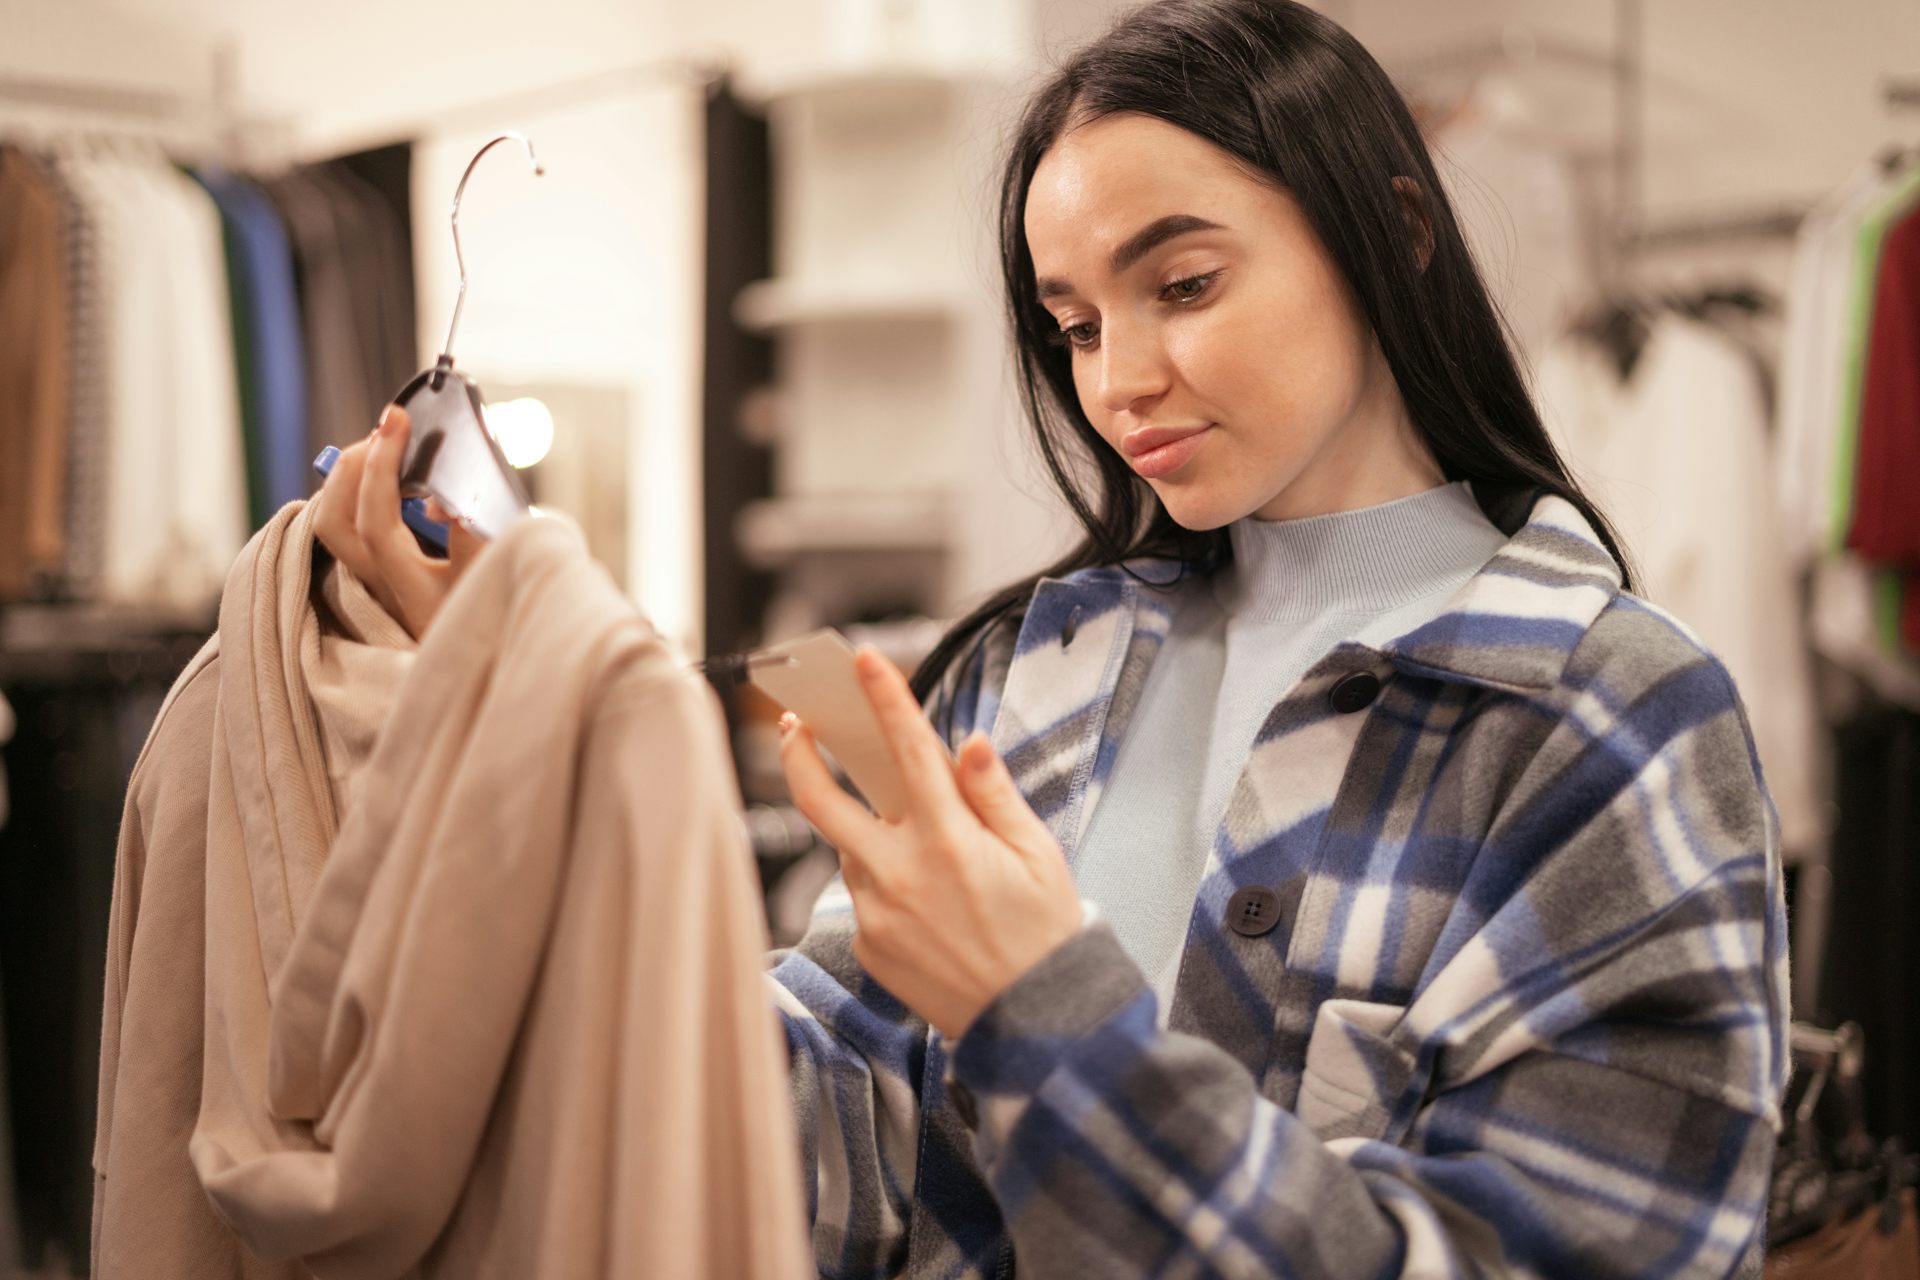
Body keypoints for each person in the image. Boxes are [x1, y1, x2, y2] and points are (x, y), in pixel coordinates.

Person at [318, 1, 1788, 1275]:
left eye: (1186, 286)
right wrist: (529, 752)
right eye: (1074, 324)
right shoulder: (1046, 666)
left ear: (1394, 231)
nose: (1121, 381)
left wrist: (1042, 1018)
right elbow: (835, 1147)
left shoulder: (1606, 720)